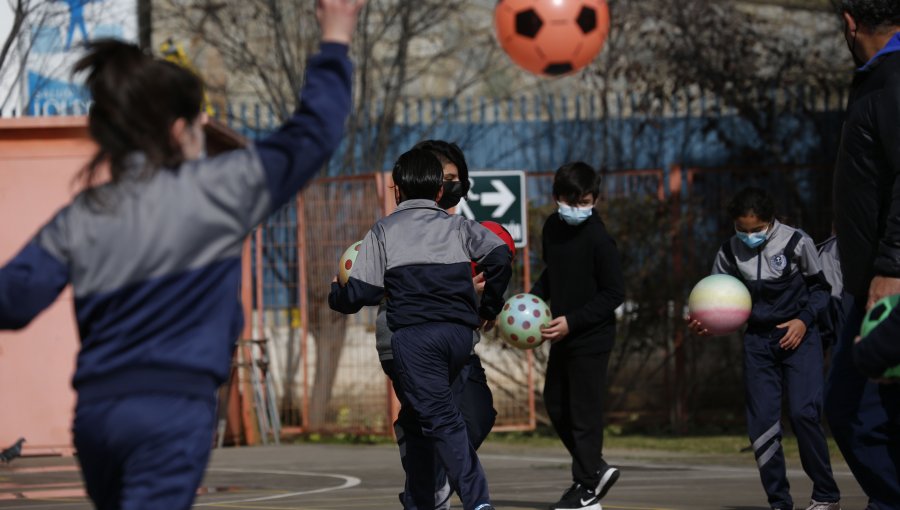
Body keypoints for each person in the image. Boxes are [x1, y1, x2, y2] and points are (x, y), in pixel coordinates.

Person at [0, 1, 363, 508]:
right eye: (198, 119)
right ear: (177, 129)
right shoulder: (219, 190)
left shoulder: (83, 214)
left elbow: (13, 302)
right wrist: (336, 35)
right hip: (171, 410)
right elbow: (314, 132)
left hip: (96, 416)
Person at [329, 148, 512, 510]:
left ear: (396, 190)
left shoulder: (385, 230)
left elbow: (360, 292)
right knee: (423, 420)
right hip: (460, 336)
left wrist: (337, 293)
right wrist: (489, 305)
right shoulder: (457, 226)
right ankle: (423, 498)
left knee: (444, 422)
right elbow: (500, 255)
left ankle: (477, 502)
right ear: (440, 192)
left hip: (414, 340)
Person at [688, 187, 840, 510]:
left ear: (771, 221)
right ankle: (779, 501)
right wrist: (706, 324)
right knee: (762, 426)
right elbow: (716, 300)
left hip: (800, 336)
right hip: (758, 343)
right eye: (742, 230)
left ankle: (825, 494)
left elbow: (821, 290)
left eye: (756, 230)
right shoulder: (729, 252)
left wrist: (803, 321)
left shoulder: (797, 242)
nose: (749, 236)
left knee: (803, 413)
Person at [374, 140, 505, 510]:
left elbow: (496, 262)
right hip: (406, 340)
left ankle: (433, 484)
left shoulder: (463, 229)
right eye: (442, 178)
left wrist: (485, 303)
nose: (450, 186)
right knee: (437, 423)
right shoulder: (395, 229)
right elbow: (376, 285)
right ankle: (452, 496)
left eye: (455, 179)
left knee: (476, 414)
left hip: (455, 339)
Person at [829, 2, 900, 507]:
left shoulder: (893, 81)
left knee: (854, 408)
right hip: (872, 280)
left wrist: (892, 267)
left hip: (887, 286)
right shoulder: (878, 78)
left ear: (850, 22)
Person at [529, 162, 625, 510]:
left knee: (584, 414)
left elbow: (614, 293)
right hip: (563, 336)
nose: (580, 209)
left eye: (587, 202)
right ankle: (594, 469)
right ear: (557, 198)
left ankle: (586, 487)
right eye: (574, 202)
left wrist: (573, 321)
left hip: (591, 337)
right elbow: (553, 273)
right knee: (555, 404)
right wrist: (531, 302)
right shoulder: (553, 226)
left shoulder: (599, 238)